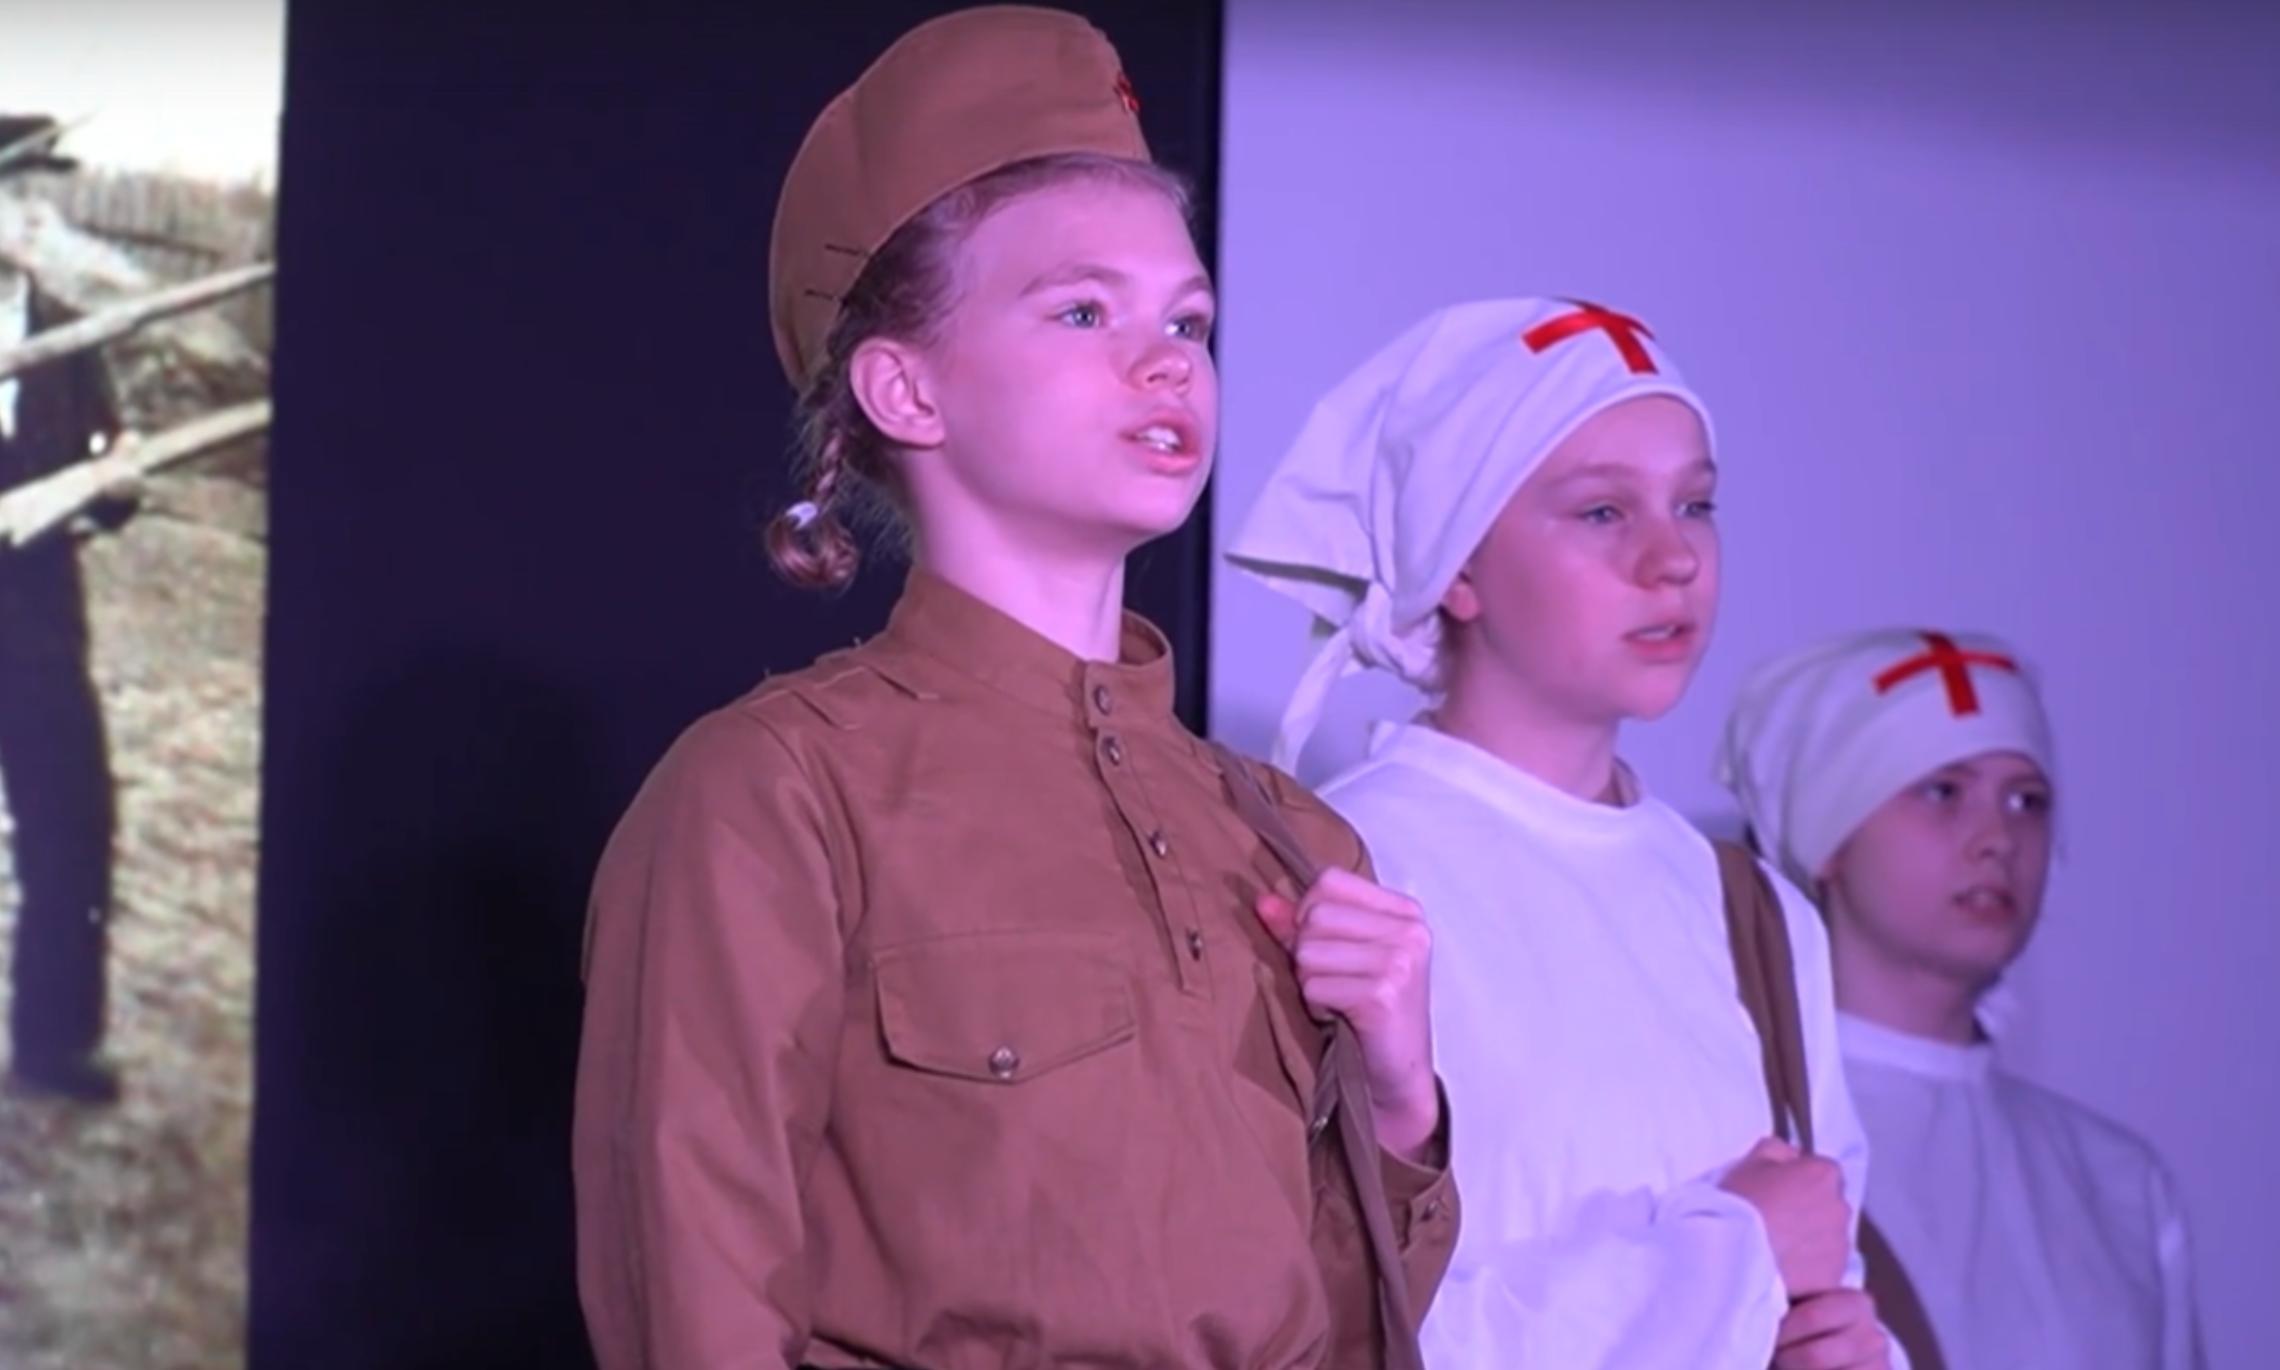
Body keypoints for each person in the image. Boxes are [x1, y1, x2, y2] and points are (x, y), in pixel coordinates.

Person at [570, 9, 1458, 1367]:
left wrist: (1398, 1101)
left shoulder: (1290, 838)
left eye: (1189, 319)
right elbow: (696, 1307)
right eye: (1083, 309)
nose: (1168, 361)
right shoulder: (774, 796)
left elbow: (1350, 1337)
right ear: (905, 389)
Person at [1230, 297, 1895, 1368]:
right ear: (1457, 566)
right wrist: (1731, 1257)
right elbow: (1323, 1325)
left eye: (1696, 503)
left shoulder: (1757, 914)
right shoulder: (1347, 869)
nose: (1673, 559)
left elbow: (1819, 1275)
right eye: (1601, 511)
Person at [1717, 626, 2205, 1369]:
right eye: (1942, 791)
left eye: (2026, 800)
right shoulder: (1747, 1140)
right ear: (1830, 841)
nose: (1997, 838)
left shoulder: (2120, 1183)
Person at [1, 113, 127, 1105]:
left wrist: (114, 481)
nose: (38, 215)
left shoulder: (70, 335)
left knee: (73, 817)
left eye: (44, 195)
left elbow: (113, 464)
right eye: (16, 193)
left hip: (39, 620)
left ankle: (53, 1041)